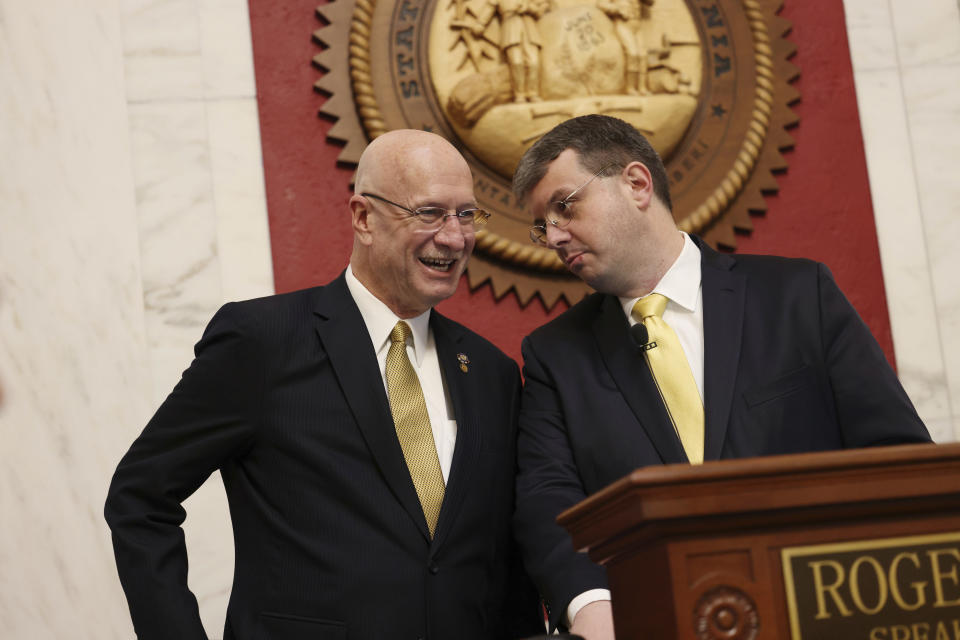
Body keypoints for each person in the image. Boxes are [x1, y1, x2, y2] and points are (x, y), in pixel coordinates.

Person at [105, 129, 542, 640]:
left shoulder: (491, 371)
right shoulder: (262, 342)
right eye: (429, 213)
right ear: (363, 218)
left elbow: (506, 561)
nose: (454, 237)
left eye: (466, 215)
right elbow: (140, 499)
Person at [509, 114, 931, 639]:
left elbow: (895, 459)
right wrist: (592, 605)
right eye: (541, 224)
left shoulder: (798, 296)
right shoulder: (555, 356)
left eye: (565, 205)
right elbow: (550, 499)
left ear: (636, 184)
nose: (552, 235)